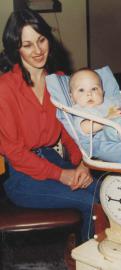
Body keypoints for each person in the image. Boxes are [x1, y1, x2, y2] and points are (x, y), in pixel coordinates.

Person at [0, 9, 99, 242]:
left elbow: (70, 131)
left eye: (41, 40)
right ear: (16, 48)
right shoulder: (4, 88)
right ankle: (84, 264)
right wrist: (62, 174)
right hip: (21, 176)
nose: (37, 51)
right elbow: (14, 153)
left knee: (107, 192)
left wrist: (83, 164)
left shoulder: (61, 80)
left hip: (52, 160)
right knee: (92, 202)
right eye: (27, 44)